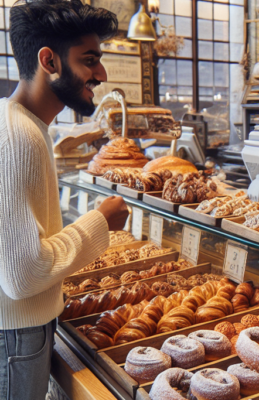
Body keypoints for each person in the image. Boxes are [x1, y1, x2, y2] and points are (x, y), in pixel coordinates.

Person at [0, 1, 129, 398]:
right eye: (90, 60)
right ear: (48, 61)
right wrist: (99, 223)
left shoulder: (20, 124)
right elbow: (23, 274)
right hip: (16, 338)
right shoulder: (18, 138)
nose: (102, 74)